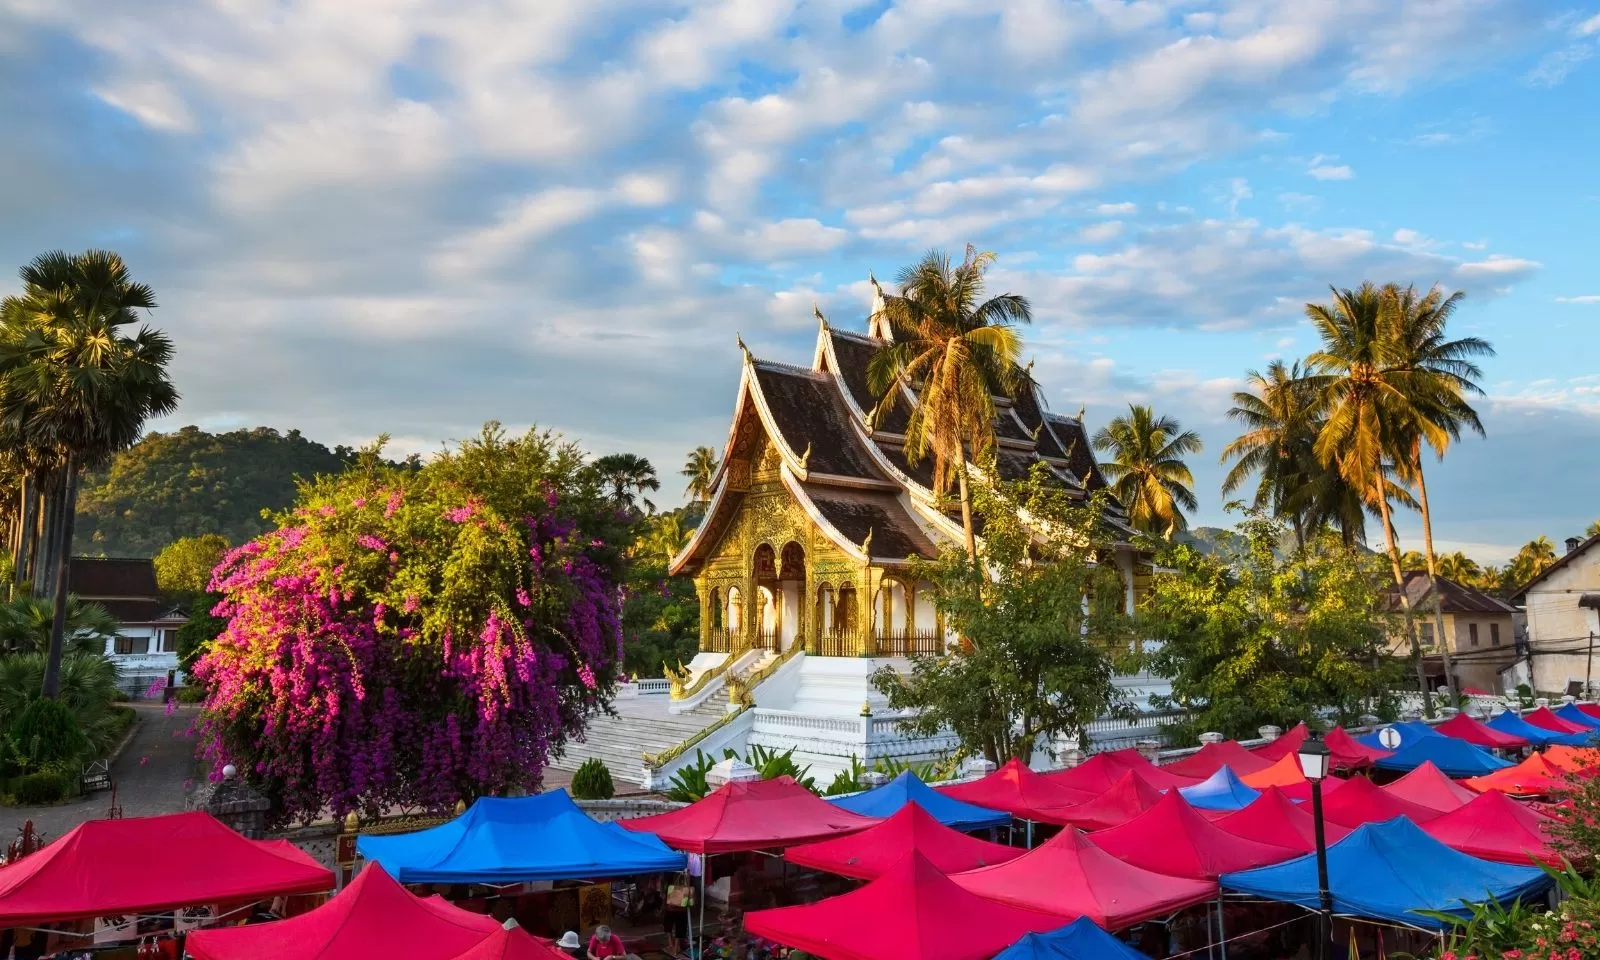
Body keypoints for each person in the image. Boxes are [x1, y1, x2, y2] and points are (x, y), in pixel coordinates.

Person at [663, 876, 693, 957]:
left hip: (671, 906)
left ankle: (671, 945)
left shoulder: (671, 870)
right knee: (679, 927)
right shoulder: (687, 874)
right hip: (681, 907)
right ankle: (675, 948)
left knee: (669, 924)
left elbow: (666, 889)